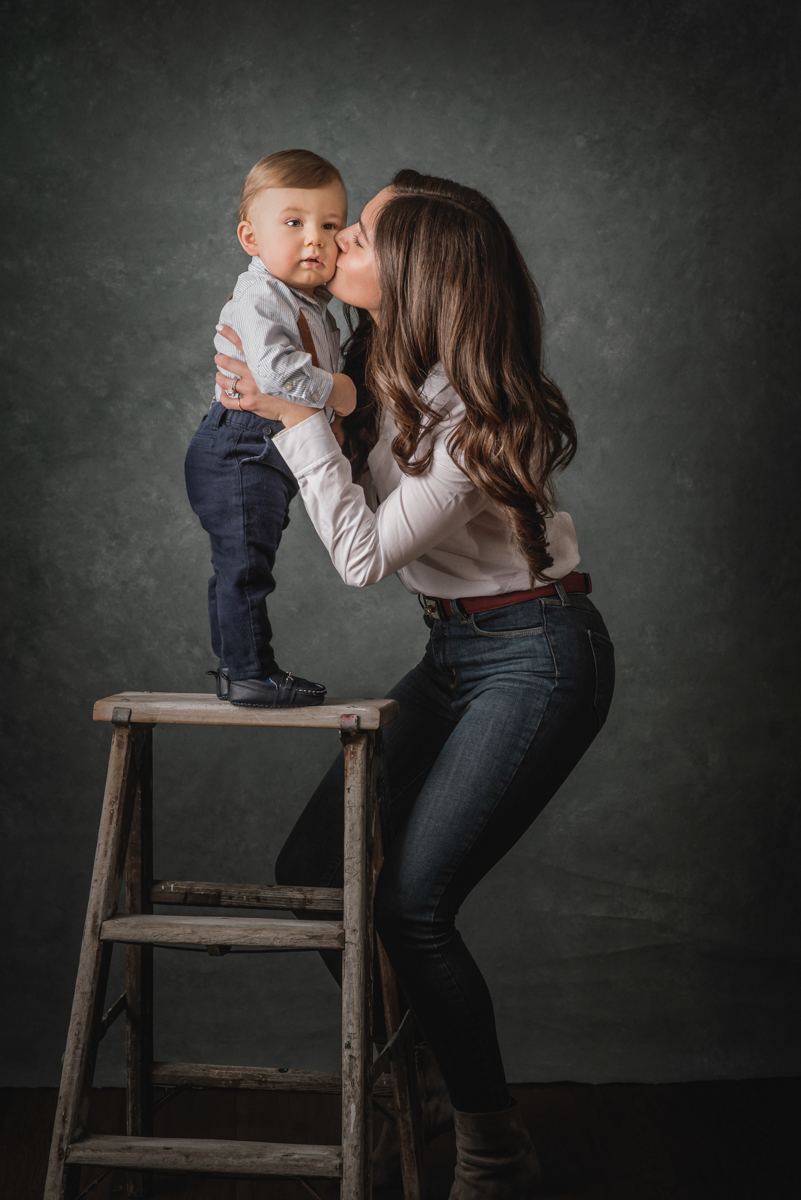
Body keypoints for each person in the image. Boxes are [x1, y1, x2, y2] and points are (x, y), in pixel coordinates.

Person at [215, 170, 615, 1199]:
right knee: (315, 870)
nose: (338, 236)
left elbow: (360, 558)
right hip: (454, 652)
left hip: (539, 653)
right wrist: (294, 394)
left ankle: (490, 1144)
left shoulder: (481, 414)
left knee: (414, 901)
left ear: (419, 273)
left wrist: (294, 418)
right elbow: (325, 405)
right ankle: (424, 1079)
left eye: (362, 232)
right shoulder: (377, 360)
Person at [185, 149, 356, 709]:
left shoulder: (309, 303)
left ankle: (238, 666)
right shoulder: (261, 296)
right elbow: (277, 373)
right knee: (243, 566)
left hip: (261, 447)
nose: (315, 240)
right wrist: (339, 390)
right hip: (240, 445)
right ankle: (251, 672)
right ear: (250, 238)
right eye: (293, 223)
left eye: (329, 225)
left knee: (243, 561)